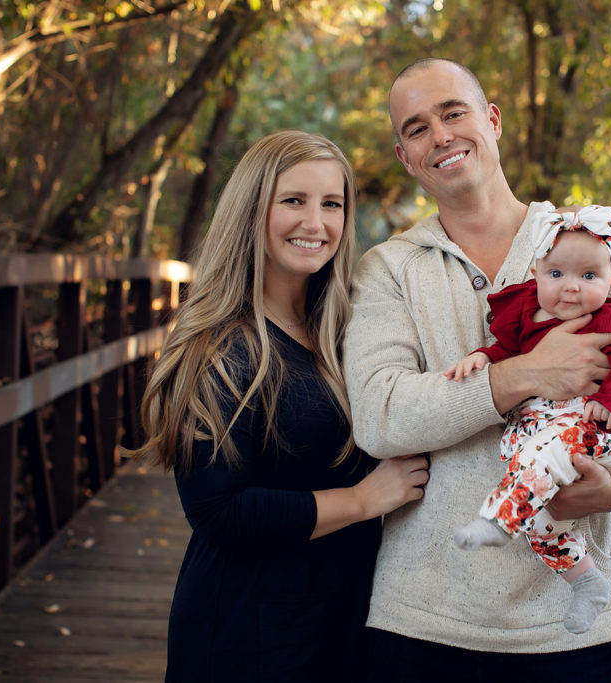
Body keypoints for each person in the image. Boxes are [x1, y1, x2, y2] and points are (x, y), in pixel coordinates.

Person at [342, 58, 611, 681]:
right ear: (406, 156)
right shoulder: (388, 269)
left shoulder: (595, 251)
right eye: (418, 128)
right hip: (423, 621)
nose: (441, 135)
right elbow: (380, 418)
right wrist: (526, 375)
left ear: (492, 120)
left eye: (453, 113)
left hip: (567, 625)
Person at [131, 130, 429, 683]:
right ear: (251, 209)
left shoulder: (347, 331)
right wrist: (364, 499)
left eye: (332, 204)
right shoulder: (217, 345)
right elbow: (219, 511)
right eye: (293, 200)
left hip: (341, 621)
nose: (315, 224)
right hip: (249, 634)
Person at [445, 204, 611, 635]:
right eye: (557, 275)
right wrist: (482, 357)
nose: (570, 288)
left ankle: (499, 518)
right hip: (536, 434)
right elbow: (506, 353)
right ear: (536, 273)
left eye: (589, 277)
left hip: (590, 430)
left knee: (548, 455)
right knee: (543, 525)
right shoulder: (528, 314)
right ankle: (587, 583)